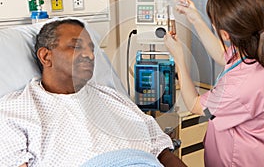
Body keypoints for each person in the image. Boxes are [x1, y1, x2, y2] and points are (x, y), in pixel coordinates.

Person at [0, 19, 187, 167]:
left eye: (91, 48)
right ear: (46, 56)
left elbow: (162, 152)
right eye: (76, 46)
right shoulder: (14, 111)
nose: (90, 55)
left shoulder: (112, 98)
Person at [164, 0, 264, 167]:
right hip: (263, 151)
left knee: (206, 111)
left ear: (225, 34)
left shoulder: (238, 88)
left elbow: (196, 106)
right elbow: (225, 57)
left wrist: (179, 59)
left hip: (238, 159)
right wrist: (195, 18)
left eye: (212, 22)